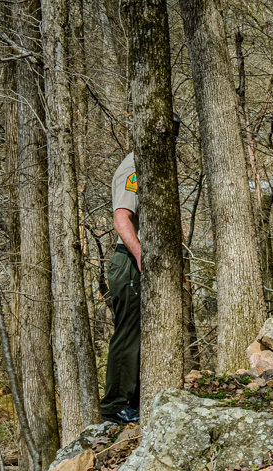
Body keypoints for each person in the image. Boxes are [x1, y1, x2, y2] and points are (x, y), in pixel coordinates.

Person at [100, 114, 181, 424]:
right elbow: (122, 218)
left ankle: (134, 398)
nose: (170, 142)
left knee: (145, 332)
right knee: (128, 332)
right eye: (166, 134)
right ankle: (115, 405)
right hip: (129, 260)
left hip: (140, 260)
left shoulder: (152, 167)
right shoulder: (133, 167)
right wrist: (140, 255)